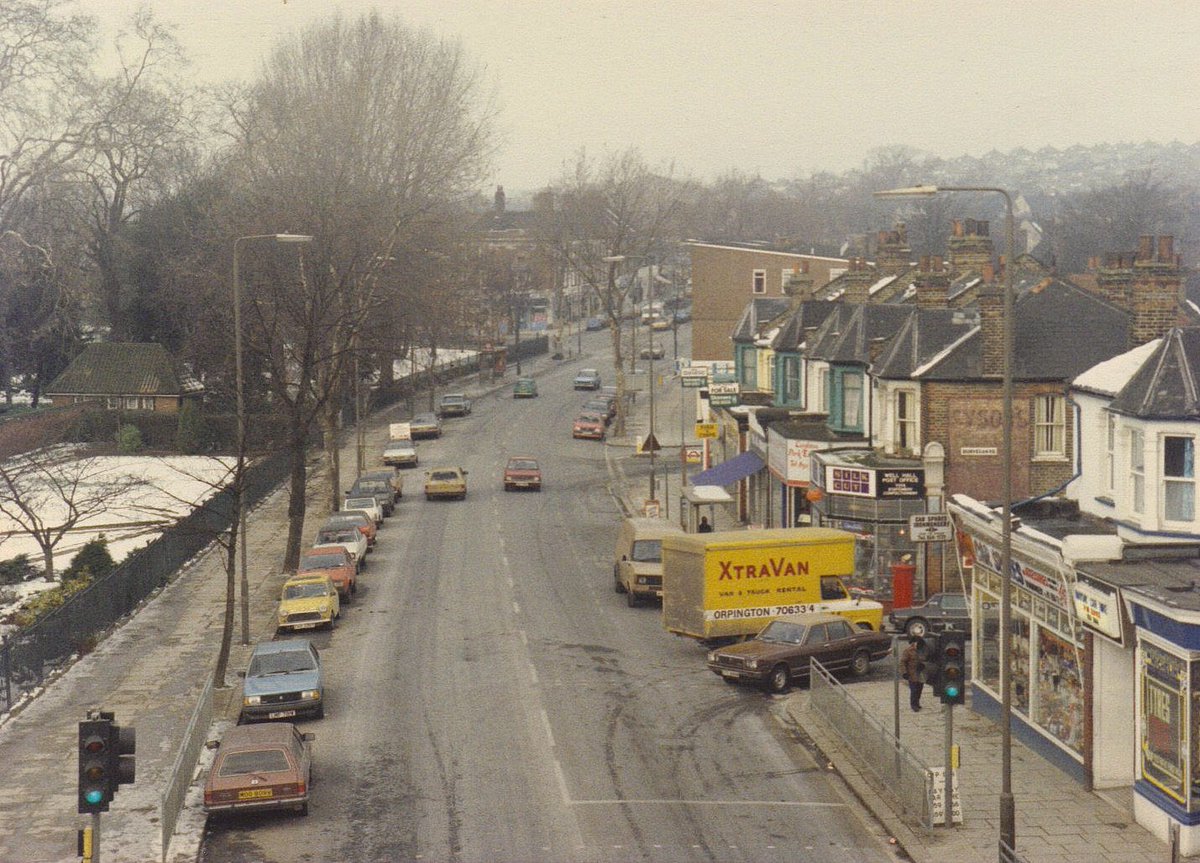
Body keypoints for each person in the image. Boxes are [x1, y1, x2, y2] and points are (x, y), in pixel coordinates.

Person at [900, 635, 924, 712]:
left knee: (919, 689)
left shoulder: (923, 650)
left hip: (920, 673)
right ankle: (913, 705)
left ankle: (917, 703)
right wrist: (904, 672)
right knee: (914, 690)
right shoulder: (908, 651)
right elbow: (902, 662)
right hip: (912, 674)